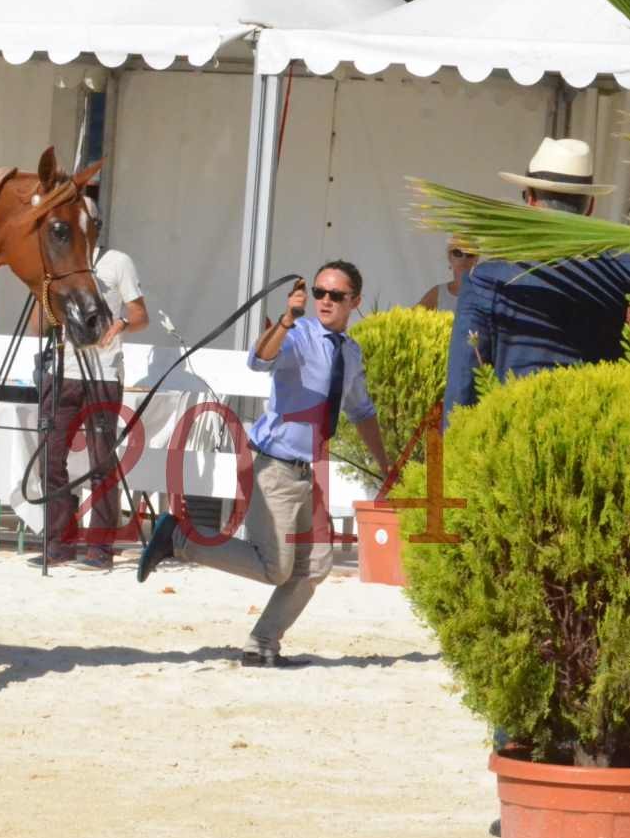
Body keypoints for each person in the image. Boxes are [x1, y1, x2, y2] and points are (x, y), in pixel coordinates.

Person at [138, 260, 392, 667]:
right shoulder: (299, 335)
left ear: (355, 301)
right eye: (319, 293)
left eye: (336, 295)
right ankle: (182, 540)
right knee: (275, 568)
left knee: (316, 565)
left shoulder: (351, 352)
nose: (325, 301)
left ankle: (263, 645)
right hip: (273, 467)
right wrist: (287, 320)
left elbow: (362, 412)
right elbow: (259, 359)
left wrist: (386, 465)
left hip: (308, 473)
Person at [444, 138, 629, 423]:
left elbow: (462, 390)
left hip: (512, 443)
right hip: (599, 445)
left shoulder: (488, 279)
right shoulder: (621, 272)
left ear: (529, 199)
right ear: (590, 205)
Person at [26, 237, 149, 571]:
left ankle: (100, 548)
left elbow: (141, 315)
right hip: (61, 371)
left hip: (103, 372)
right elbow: (37, 327)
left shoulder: (117, 260)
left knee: (101, 461)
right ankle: (59, 544)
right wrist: (45, 289)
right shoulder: (57, 260)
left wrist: (121, 322)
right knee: (49, 459)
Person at [416, 238, 477, 312]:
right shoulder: (438, 293)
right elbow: (411, 319)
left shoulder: (488, 292)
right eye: (457, 253)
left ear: (476, 259)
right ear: (450, 257)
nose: (463, 259)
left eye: (470, 254)